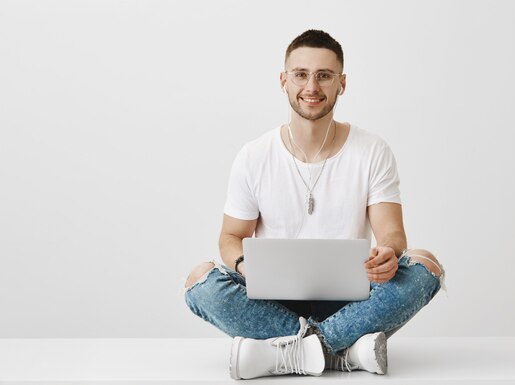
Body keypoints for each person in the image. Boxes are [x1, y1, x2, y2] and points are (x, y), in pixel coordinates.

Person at [183, 29, 445, 380]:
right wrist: (246, 267)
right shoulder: (254, 155)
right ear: (283, 80)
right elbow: (231, 236)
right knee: (200, 282)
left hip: (352, 301)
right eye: (301, 75)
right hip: (271, 301)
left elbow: (392, 233)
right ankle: (343, 352)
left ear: (342, 83)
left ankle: (287, 353)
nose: (312, 87)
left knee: (426, 266)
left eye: (324, 76)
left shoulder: (372, 150)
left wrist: (389, 253)